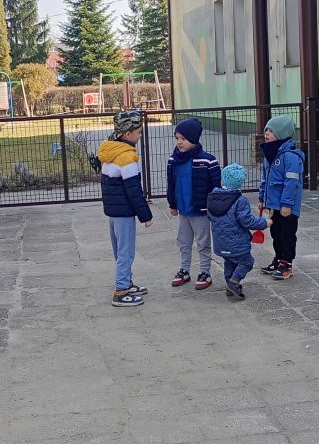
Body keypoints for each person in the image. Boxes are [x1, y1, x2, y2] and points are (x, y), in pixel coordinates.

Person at [97, 109, 153, 308]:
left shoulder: (110, 152)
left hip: (113, 211)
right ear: (128, 134)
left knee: (119, 250)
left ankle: (127, 282)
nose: (140, 136)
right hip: (124, 212)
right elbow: (134, 191)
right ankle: (121, 291)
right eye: (138, 133)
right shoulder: (126, 158)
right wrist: (145, 215)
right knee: (126, 252)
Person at [166, 117, 221, 291]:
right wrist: (172, 204)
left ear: (194, 139)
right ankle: (184, 270)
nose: (179, 142)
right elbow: (171, 184)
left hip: (201, 211)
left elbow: (215, 187)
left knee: (203, 243)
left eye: (184, 138)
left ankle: (205, 272)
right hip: (183, 210)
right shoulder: (173, 160)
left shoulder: (207, 161)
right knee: (183, 242)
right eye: (177, 138)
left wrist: (214, 207)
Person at [207, 163, 268, 300]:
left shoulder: (213, 197)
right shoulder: (240, 201)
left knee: (229, 261)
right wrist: (264, 222)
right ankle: (233, 283)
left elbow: (210, 216)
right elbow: (247, 221)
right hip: (237, 244)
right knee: (247, 262)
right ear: (240, 182)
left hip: (220, 243)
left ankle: (229, 283)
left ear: (223, 180)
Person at [258, 115, 305, 280]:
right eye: (266, 130)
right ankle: (278, 258)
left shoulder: (291, 156)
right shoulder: (270, 155)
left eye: (271, 131)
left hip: (286, 206)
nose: (266, 133)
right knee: (276, 233)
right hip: (273, 204)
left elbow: (292, 183)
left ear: (282, 133)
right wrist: (262, 199)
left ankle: (286, 263)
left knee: (287, 235)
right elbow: (265, 179)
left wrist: (287, 204)